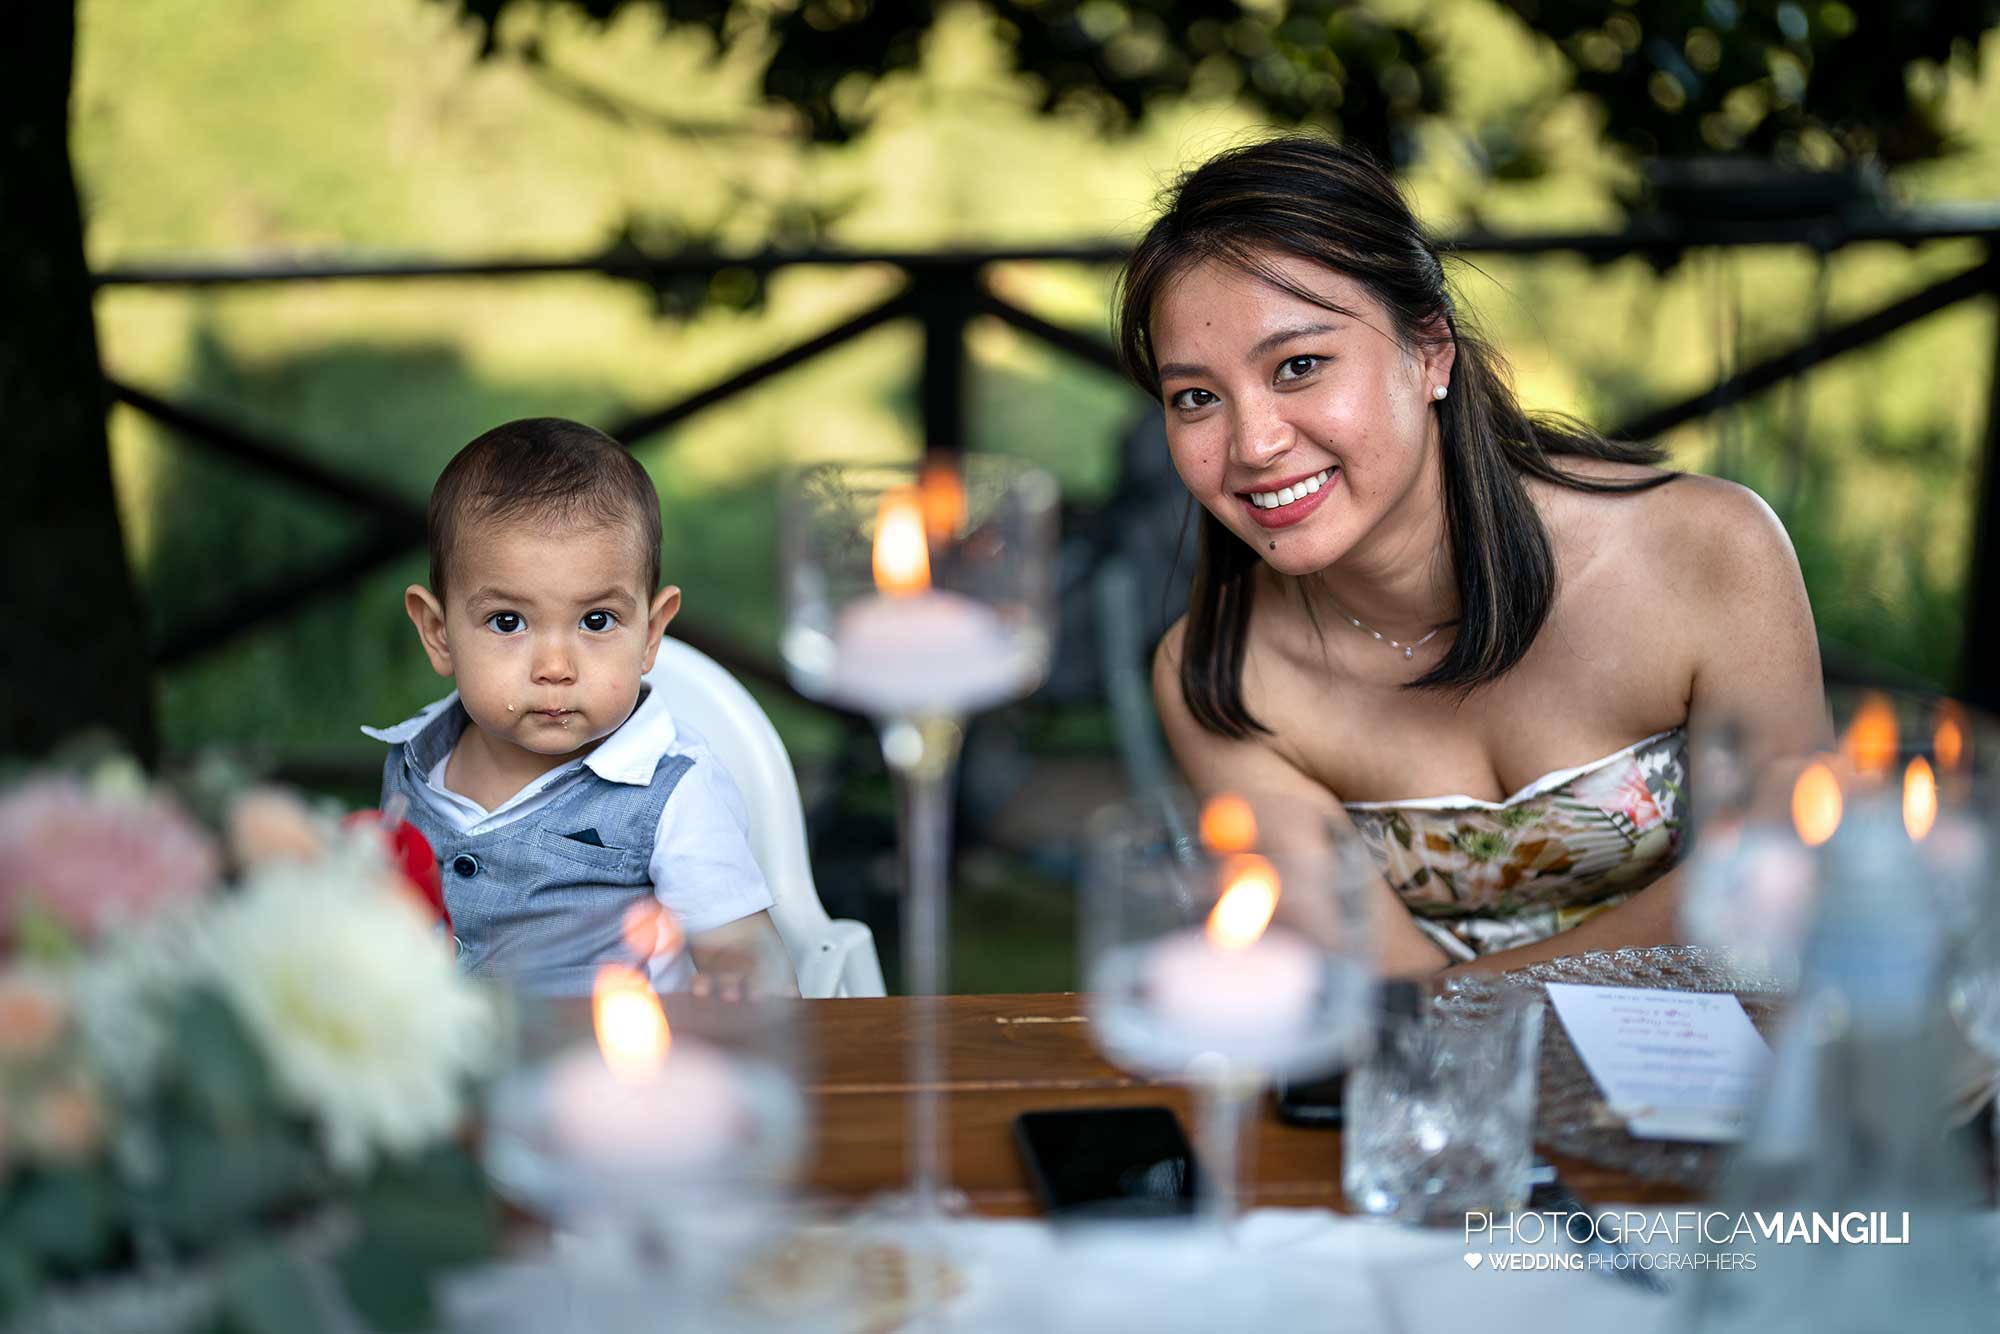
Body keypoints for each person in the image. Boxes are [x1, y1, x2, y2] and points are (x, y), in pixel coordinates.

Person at [1116, 137, 1829, 974]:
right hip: (1442, 1100)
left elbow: (1785, 883)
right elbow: (1387, 991)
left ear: (1432, 351)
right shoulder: (1224, 679)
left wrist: (1467, 1000)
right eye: (1196, 397)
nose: (1255, 443)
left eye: (1300, 365)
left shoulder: (1708, 553)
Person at [363, 417, 794, 997]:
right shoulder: (413, 765)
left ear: (650, 633)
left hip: (602, 1074)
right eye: (508, 622)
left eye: (596, 621)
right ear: (439, 633)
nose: (556, 666)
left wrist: (730, 995)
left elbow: (744, 959)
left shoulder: (674, 796)